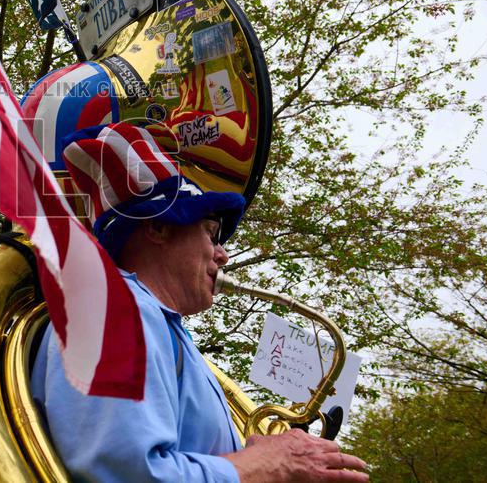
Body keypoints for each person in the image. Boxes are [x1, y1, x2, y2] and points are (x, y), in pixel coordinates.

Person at [31, 122, 370, 482]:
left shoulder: (153, 323)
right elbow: (126, 474)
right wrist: (270, 463)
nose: (222, 255)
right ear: (158, 228)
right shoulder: (118, 312)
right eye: (211, 233)